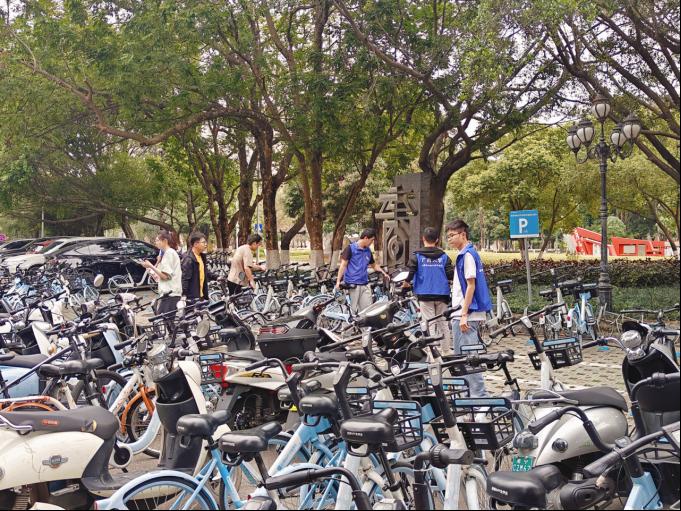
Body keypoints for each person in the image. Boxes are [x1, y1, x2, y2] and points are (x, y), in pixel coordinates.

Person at [447, 219, 493, 397]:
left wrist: (464, 314)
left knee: (469, 358)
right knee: (462, 359)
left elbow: (471, 285)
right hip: (463, 314)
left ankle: (479, 398)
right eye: (448, 236)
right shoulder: (466, 254)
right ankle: (467, 397)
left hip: (466, 315)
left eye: (452, 235)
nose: (449, 239)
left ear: (463, 234)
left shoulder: (467, 255)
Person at [403, 227, 454, 356]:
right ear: (437, 240)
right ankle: (446, 351)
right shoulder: (444, 256)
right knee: (443, 323)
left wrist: (406, 284)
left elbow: (410, 273)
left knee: (429, 324)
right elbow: (450, 275)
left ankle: (432, 355)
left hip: (425, 295)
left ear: (423, 239)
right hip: (442, 294)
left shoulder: (417, 256)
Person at [335, 228, 389, 314]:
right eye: (371, 240)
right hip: (352, 285)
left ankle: (364, 323)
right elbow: (343, 265)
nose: (372, 243)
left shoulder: (368, 251)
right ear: (366, 238)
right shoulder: (350, 249)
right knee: (350, 312)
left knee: (367, 311)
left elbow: (374, 265)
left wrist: (383, 273)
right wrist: (338, 282)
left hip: (365, 284)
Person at [142, 230, 183, 316]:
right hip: (169, 293)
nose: (155, 242)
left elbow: (165, 276)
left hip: (170, 294)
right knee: (165, 320)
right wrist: (152, 271)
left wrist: (151, 266)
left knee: (164, 320)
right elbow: (163, 275)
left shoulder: (169, 253)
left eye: (157, 240)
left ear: (165, 241)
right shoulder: (168, 253)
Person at [181, 231, 210, 301]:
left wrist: (216, 277)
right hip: (192, 298)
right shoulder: (188, 259)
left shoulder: (202, 256)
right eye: (203, 242)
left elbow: (204, 271)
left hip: (201, 295)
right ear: (195, 244)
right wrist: (184, 295)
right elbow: (185, 278)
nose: (206, 244)